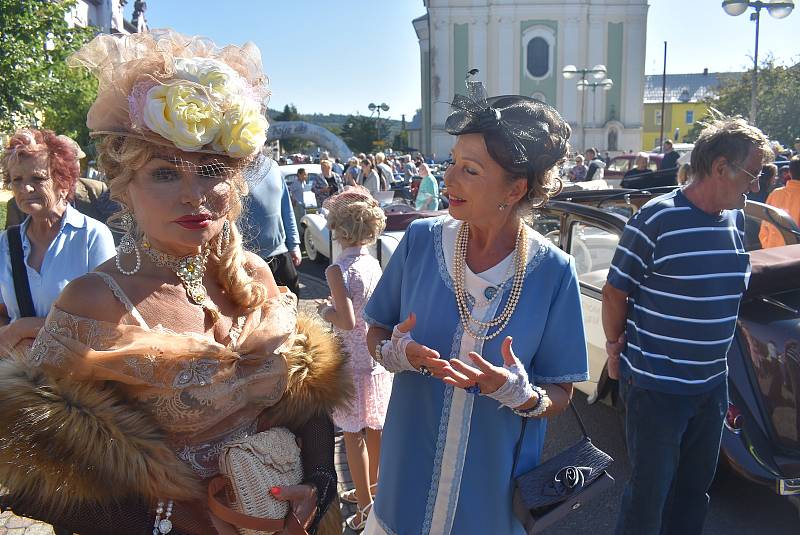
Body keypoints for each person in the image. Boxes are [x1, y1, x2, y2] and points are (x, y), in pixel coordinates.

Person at [0, 30, 348, 535]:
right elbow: (34, 464)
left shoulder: (254, 274)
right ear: (124, 187)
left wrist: (317, 481)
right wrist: (167, 516)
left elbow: (306, 400)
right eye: (164, 173)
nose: (194, 195)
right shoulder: (95, 299)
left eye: (210, 170)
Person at [361, 83, 589, 534]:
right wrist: (395, 354)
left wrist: (518, 393)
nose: (448, 180)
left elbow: (560, 395)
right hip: (406, 484)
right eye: (452, 164)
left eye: (469, 170)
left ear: (515, 188)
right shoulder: (421, 242)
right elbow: (375, 333)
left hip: (490, 499)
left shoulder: (554, 271)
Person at [602, 116, 771, 535]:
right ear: (719, 167)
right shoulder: (657, 220)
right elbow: (615, 292)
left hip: (712, 386)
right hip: (657, 389)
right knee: (649, 495)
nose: (756, 186)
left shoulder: (734, 221)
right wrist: (612, 348)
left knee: (695, 492)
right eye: (752, 174)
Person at [315, 187, 392, 532]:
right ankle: (375, 494)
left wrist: (324, 310)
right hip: (375, 361)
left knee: (352, 436)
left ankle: (364, 509)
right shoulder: (372, 263)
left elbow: (345, 320)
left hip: (350, 362)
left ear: (338, 229)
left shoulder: (337, 270)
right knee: (374, 430)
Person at [0, 128, 115, 354]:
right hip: (18, 377)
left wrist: (22, 328)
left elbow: (107, 324)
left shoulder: (91, 236)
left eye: (38, 178)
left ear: (63, 182)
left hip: (77, 379)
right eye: (17, 180)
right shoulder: (6, 243)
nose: (26, 188)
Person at [244, 156, 302, 296]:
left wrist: (294, 244)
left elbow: (286, 208)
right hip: (248, 258)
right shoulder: (232, 168)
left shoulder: (272, 166)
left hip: (280, 253)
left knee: (291, 299)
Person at [759, 156, 800, 249]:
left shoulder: (775, 194)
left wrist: (768, 247)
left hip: (773, 252)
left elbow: (764, 227)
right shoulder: (775, 193)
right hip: (795, 256)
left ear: (789, 173)